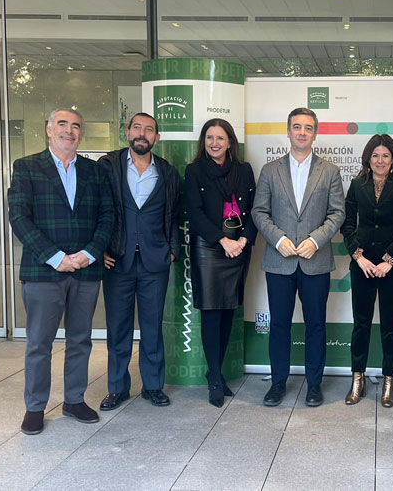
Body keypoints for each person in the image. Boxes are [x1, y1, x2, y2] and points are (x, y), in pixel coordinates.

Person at [8, 108, 114, 435]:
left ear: (81, 133)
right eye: (63, 124)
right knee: (39, 343)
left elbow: (108, 216)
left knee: (80, 340)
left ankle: (74, 400)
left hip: (85, 270)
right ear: (49, 130)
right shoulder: (27, 167)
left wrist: (88, 254)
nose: (69, 131)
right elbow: (19, 218)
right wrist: (55, 257)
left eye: (76, 126)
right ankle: (35, 407)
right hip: (43, 271)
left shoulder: (95, 171)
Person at [251, 107, 345, 408]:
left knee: (316, 324)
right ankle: (277, 383)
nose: (302, 132)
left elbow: (337, 213)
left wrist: (315, 241)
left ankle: (314, 384)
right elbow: (259, 212)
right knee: (280, 324)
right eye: (297, 127)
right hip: (279, 261)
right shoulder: (270, 170)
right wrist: (278, 239)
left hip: (315, 260)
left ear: (315, 133)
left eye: (308, 127)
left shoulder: (330, 171)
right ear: (288, 131)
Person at [97, 112, 181, 411]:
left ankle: (153, 386)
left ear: (156, 137)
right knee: (117, 327)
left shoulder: (168, 172)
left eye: (149, 129)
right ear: (127, 133)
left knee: (152, 326)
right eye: (137, 128)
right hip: (116, 259)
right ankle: (117, 388)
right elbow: (96, 209)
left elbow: (174, 213)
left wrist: (172, 249)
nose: (142, 133)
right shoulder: (108, 166)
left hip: (154, 261)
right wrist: (99, 248)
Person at [184, 118, 257, 408]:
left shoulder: (244, 170)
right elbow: (194, 212)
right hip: (210, 248)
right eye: (209, 138)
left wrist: (244, 240)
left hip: (239, 248)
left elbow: (254, 209)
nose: (214, 143)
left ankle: (215, 370)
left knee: (228, 311)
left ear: (230, 143)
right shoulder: (194, 171)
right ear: (203, 141)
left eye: (220, 138)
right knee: (212, 312)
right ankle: (214, 377)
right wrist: (222, 241)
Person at [340, 134, 393, 407]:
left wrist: (389, 260)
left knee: (390, 326)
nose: (380, 160)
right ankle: (357, 379)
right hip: (362, 265)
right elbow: (348, 224)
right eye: (375, 155)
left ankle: (388, 381)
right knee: (360, 323)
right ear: (368, 159)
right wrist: (358, 257)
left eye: (385, 155)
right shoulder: (357, 185)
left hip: (392, 267)